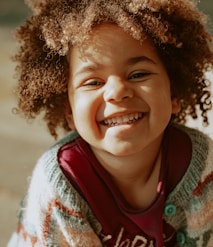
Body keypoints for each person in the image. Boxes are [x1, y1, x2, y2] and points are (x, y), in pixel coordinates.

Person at [8, 0, 213, 246]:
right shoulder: (60, 183)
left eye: (138, 74)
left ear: (174, 93)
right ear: (70, 111)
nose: (117, 91)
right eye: (93, 82)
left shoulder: (201, 165)